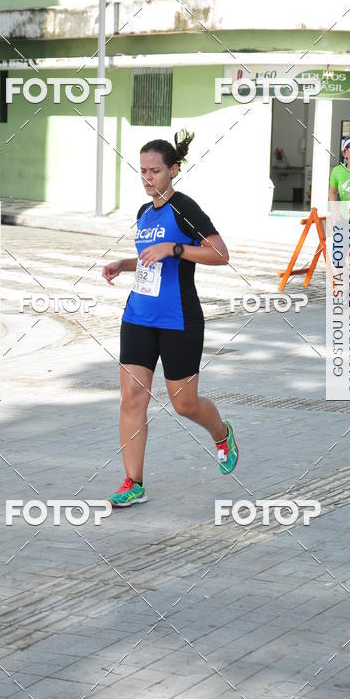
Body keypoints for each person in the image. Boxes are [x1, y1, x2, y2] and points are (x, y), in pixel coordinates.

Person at [101, 129, 238, 508]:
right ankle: (133, 482)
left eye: (155, 171)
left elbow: (220, 253)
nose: (148, 178)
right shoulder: (144, 213)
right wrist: (124, 264)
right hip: (139, 315)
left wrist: (175, 248)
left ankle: (221, 432)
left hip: (179, 319)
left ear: (173, 170)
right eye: (143, 171)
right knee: (132, 397)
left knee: (184, 404)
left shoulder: (184, 207)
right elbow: (152, 257)